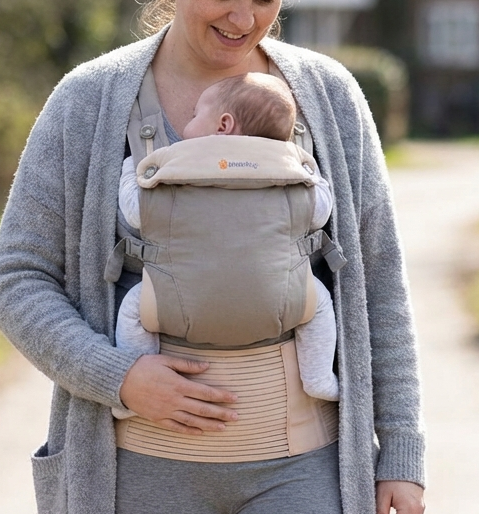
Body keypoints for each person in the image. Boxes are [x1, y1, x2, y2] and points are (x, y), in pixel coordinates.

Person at [0, 0, 426, 514]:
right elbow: (17, 281)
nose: (244, 18)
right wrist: (120, 376)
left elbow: (379, 283)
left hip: (302, 469)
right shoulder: (90, 102)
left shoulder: (326, 97)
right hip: (150, 474)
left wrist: (403, 453)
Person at [114, 71, 340, 405]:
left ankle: (144, 372)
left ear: (223, 125)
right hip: (280, 300)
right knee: (318, 304)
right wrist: (311, 173)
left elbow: (136, 214)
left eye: (194, 116)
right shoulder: (288, 177)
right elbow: (319, 213)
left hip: (175, 300)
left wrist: (132, 170)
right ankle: (318, 375)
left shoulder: (175, 170)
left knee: (134, 308)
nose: (188, 125)